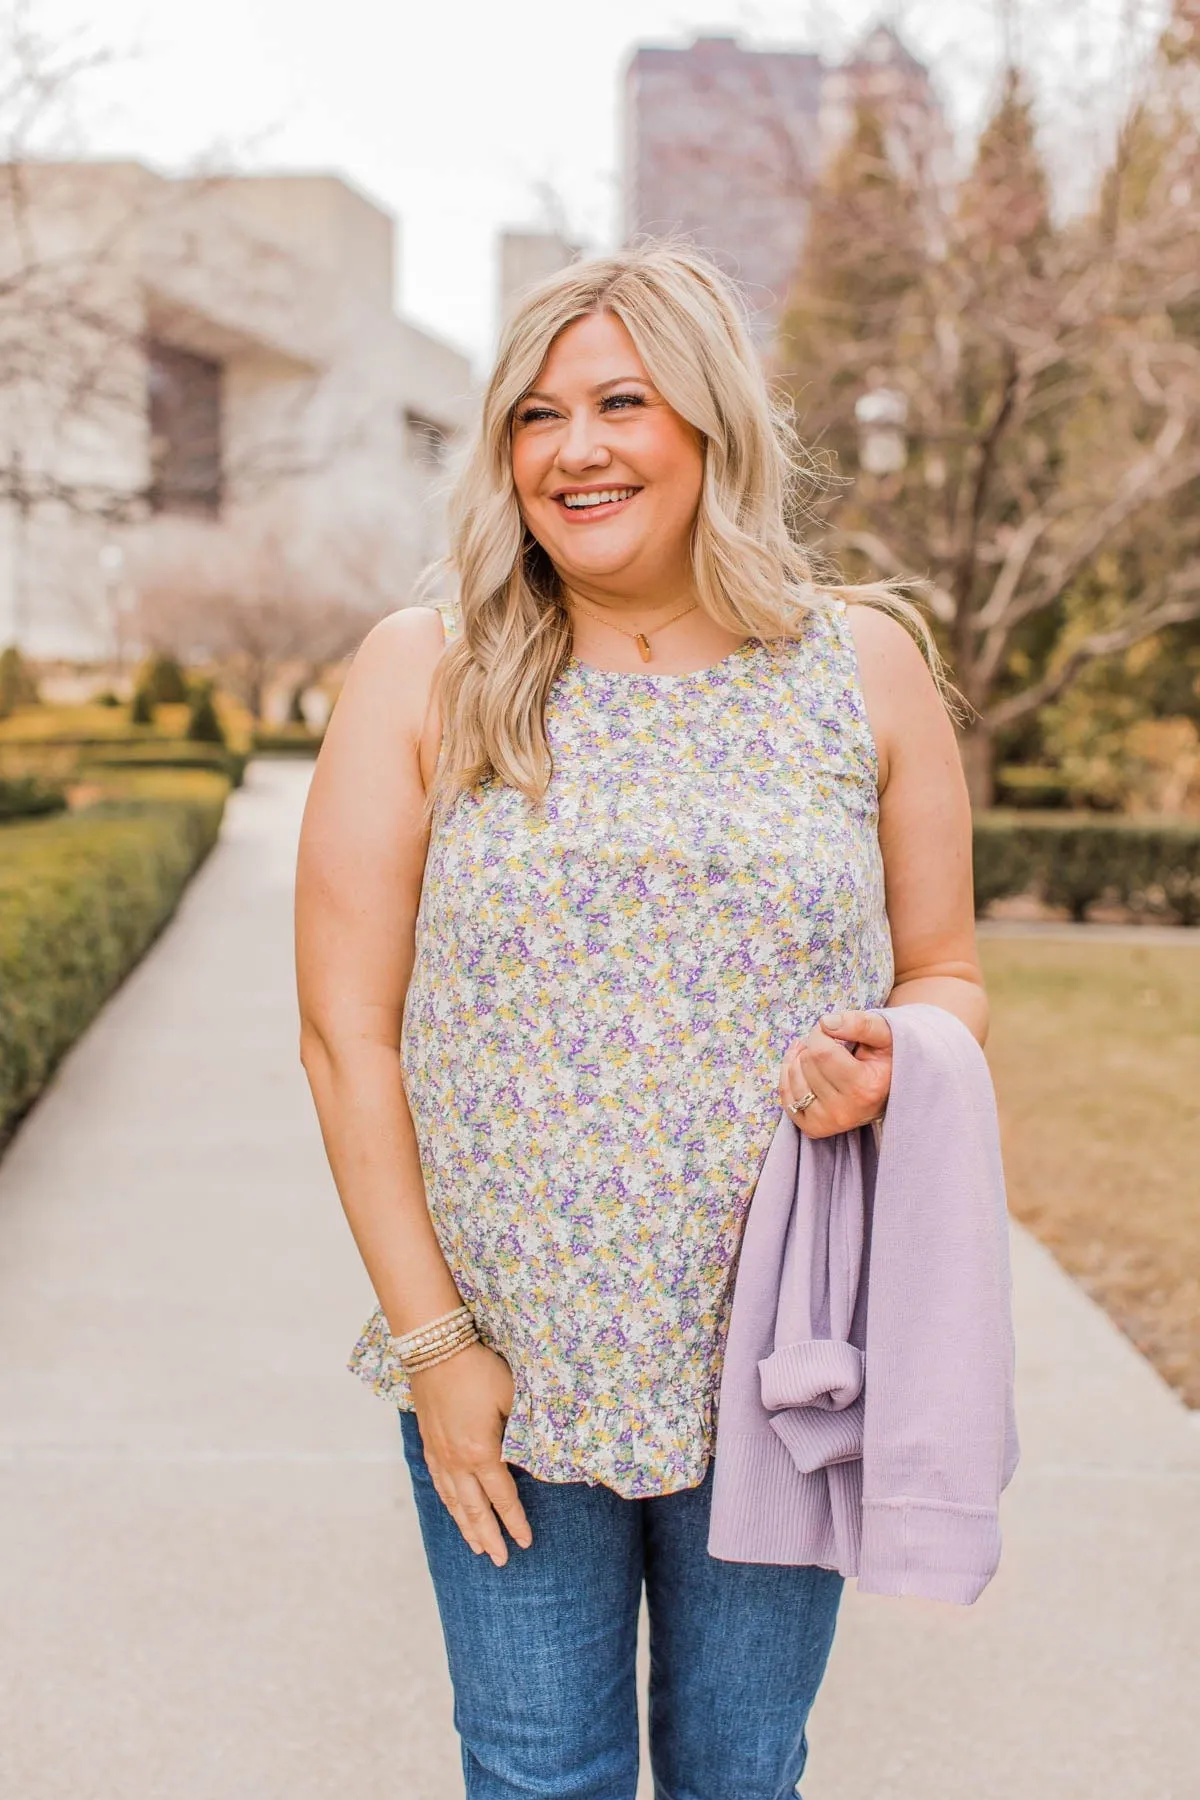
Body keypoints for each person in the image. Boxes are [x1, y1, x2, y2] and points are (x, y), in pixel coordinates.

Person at [294, 243, 987, 1800]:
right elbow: (349, 1035)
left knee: (745, 1773)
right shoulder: (429, 672)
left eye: (621, 400)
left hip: (783, 1358)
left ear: (711, 424)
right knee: (541, 1773)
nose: (576, 449)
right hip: (510, 1363)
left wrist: (897, 1059)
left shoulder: (859, 665)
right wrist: (433, 1346)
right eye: (537, 416)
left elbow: (946, 967)